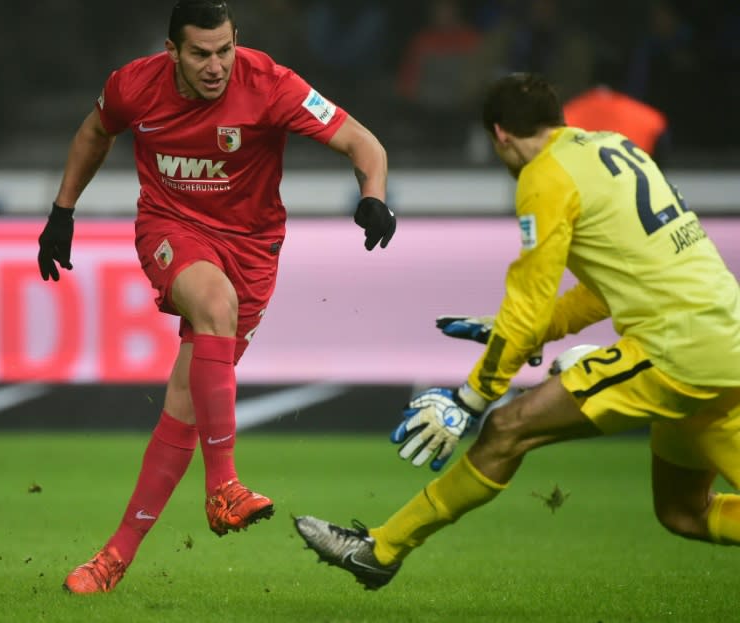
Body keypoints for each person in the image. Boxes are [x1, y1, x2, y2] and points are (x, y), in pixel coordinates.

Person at [293, 72, 740, 590]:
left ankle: (382, 549)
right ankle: (380, 550)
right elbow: (603, 287)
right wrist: (525, 331)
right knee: (684, 512)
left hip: (675, 352)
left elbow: (528, 299)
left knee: (507, 429)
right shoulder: (613, 149)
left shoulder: (544, 177)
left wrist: (472, 397)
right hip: (723, 342)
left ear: (501, 135)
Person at [37, 0, 395, 594]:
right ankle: (223, 485)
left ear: (237, 42)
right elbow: (96, 130)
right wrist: (61, 211)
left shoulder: (271, 83)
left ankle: (112, 560)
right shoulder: (134, 86)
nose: (215, 66)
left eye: (224, 50)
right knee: (214, 301)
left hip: (254, 252)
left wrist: (374, 195)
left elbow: (364, 142)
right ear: (172, 50)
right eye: (200, 53)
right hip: (171, 229)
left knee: (185, 400)